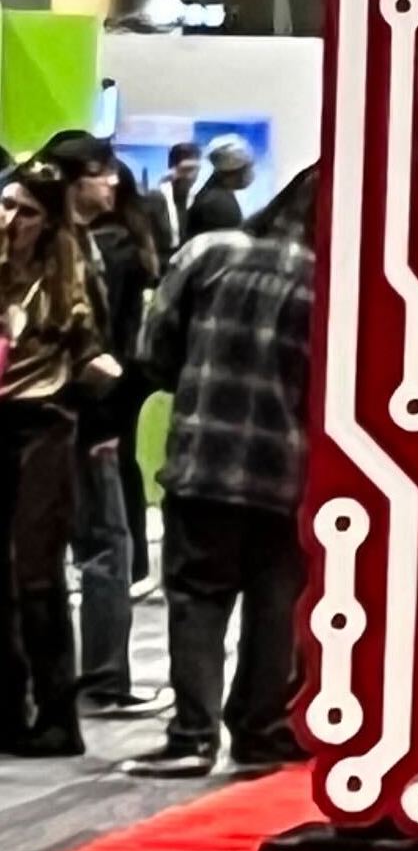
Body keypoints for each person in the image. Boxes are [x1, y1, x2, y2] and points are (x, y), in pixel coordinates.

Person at [121, 170, 319, 778]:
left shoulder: (207, 254)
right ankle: (260, 730)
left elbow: (154, 354)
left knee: (198, 600)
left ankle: (192, 737)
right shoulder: (331, 282)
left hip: (204, 459)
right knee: (275, 602)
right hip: (286, 467)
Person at [45, 134, 163, 716]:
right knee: (104, 549)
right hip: (76, 422)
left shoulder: (71, 245)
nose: (112, 181)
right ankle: (104, 681)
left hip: (59, 420)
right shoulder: (77, 251)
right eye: (99, 172)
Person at [0, 162, 113, 757]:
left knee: (36, 573)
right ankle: (7, 708)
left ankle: (57, 713)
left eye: (27, 210)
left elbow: (100, 355)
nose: (12, 219)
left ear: (48, 221)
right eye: (6, 204)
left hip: (45, 421)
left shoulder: (70, 271)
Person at [183, 137, 255, 238]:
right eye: (247, 167)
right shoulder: (219, 203)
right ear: (236, 170)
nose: (250, 173)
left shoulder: (213, 194)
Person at [151, 140, 202, 249]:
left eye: (195, 169)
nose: (191, 176)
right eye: (186, 169)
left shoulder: (199, 198)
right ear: (172, 168)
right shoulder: (155, 198)